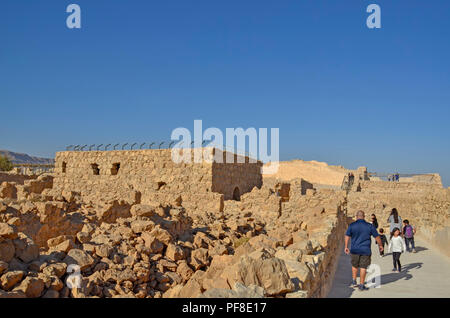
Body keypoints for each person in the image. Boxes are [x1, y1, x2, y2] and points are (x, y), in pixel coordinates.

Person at [344, 210, 383, 291]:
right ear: (364, 216)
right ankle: (361, 285)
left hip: (354, 249)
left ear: (356, 216)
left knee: (354, 265)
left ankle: (354, 281)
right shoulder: (369, 226)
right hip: (365, 250)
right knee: (363, 267)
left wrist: (346, 246)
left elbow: (347, 235)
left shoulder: (352, 225)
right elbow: (377, 236)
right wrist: (380, 245)